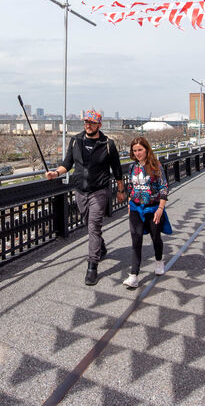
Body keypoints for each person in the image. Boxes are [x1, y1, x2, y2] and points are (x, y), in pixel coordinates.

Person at [46, 109, 124, 285]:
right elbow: (67, 164)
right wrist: (55, 173)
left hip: (99, 191)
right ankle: (100, 246)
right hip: (80, 190)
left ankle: (92, 267)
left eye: (92, 123)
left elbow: (117, 169)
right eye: (86, 122)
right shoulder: (76, 141)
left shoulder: (108, 144)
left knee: (94, 226)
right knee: (88, 223)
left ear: (99, 125)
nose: (88, 125)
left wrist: (121, 190)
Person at [122, 136, 169, 289]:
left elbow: (163, 187)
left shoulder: (156, 166)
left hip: (153, 208)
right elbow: (131, 186)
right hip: (136, 208)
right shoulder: (132, 167)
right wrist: (129, 203)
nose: (137, 153)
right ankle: (133, 275)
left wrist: (160, 209)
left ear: (147, 149)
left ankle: (159, 260)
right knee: (136, 240)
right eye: (135, 150)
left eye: (140, 150)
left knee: (156, 237)